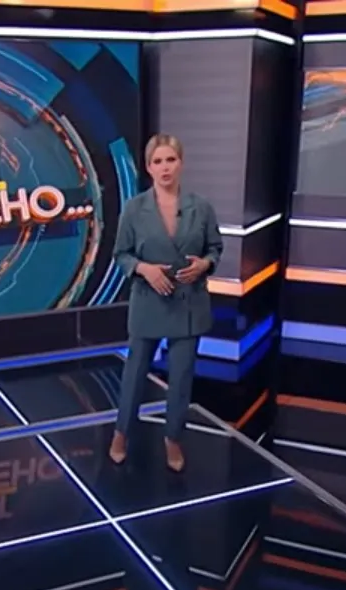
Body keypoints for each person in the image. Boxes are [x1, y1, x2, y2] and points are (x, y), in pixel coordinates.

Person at [109, 133, 223, 472]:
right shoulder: (134, 209)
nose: (165, 167)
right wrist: (144, 269)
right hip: (149, 301)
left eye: (170, 160)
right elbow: (121, 254)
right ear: (148, 167)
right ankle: (121, 433)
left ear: (181, 163)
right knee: (134, 374)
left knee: (181, 378)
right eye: (157, 161)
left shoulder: (201, 207)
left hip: (188, 304)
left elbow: (215, 248)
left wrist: (204, 265)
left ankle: (173, 438)